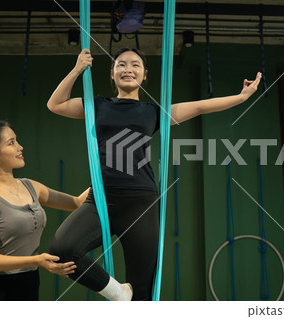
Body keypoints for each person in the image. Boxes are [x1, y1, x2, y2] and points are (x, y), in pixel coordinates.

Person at [47, 48, 262, 301]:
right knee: (61, 250)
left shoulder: (153, 112)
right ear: (112, 74)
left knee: (143, 290)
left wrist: (241, 97)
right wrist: (77, 69)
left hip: (140, 202)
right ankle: (117, 293)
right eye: (121, 65)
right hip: (101, 199)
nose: (128, 69)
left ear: (145, 75)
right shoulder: (97, 105)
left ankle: (130, 297)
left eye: (135, 65)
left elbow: (201, 106)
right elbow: (56, 104)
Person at [0, 120, 89, 301]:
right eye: (11, 143)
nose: (20, 147)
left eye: (17, 141)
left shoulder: (31, 186)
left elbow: (77, 202)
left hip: (30, 283)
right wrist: (36, 260)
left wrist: (107, 174)